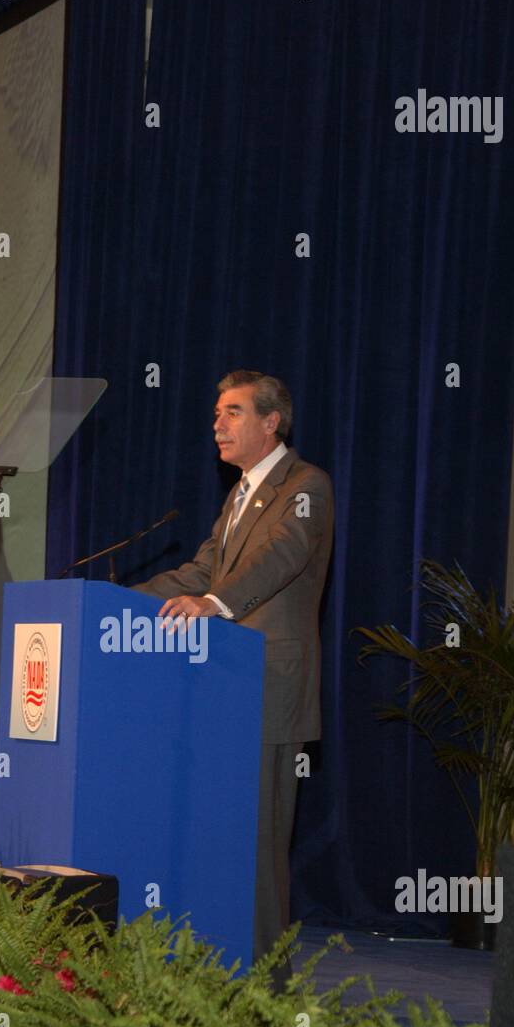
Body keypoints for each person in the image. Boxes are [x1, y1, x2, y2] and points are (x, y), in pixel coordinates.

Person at [134, 371, 334, 984]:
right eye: (216, 412)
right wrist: (115, 601)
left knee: (258, 847)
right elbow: (202, 571)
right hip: (223, 690)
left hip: (269, 688)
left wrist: (214, 605)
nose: (217, 424)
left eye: (233, 412)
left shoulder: (306, 486)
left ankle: (266, 985)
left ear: (271, 422)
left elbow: (280, 558)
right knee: (220, 838)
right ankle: (217, 971)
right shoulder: (240, 494)